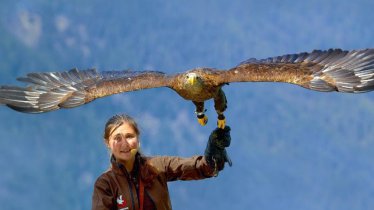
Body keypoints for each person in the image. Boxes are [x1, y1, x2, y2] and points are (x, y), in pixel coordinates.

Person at [92, 114, 232, 210]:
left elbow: (195, 166)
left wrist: (212, 157)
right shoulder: (106, 184)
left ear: (138, 139)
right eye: (117, 138)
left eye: (129, 136)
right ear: (107, 143)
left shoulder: (157, 166)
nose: (124, 144)